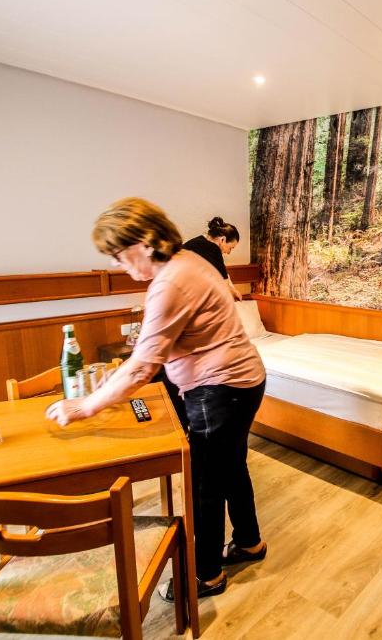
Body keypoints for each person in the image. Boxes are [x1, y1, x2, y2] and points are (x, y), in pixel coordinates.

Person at [45, 197, 268, 599]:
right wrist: (120, 375)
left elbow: (144, 365)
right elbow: (155, 352)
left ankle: (207, 576)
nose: (116, 263)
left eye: (118, 253)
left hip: (220, 390)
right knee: (231, 466)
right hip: (244, 381)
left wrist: (85, 405)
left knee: (206, 484)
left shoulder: (171, 281)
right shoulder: (189, 260)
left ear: (146, 242)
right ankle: (250, 542)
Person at [182, 217, 243, 300]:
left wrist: (233, 289)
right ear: (222, 240)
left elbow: (224, 274)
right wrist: (234, 293)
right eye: (230, 248)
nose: (228, 253)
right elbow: (224, 286)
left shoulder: (198, 241)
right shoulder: (213, 249)